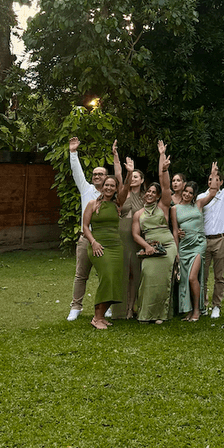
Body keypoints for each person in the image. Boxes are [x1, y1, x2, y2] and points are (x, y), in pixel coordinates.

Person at [132, 140, 178, 324]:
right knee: (149, 278)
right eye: (148, 191)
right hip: (149, 247)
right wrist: (146, 247)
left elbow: (165, 186)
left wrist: (164, 166)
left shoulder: (163, 207)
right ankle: (145, 314)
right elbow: (135, 234)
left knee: (165, 282)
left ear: (158, 196)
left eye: (153, 192)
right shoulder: (138, 213)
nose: (150, 194)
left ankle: (161, 315)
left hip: (167, 246)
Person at [197, 140, 224, 318]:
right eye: (209, 179)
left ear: (221, 182)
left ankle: (216, 306)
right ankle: (202, 304)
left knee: (219, 276)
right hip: (204, 240)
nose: (211, 181)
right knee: (203, 275)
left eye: (215, 179)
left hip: (221, 240)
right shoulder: (201, 196)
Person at [67, 137, 107, 321]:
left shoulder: (111, 195)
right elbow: (77, 173)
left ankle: (105, 306)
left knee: (105, 275)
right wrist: (73, 153)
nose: (96, 176)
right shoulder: (86, 190)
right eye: (94, 174)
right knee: (81, 275)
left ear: (107, 178)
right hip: (86, 239)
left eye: (100, 174)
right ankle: (76, 307)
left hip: (104, 239)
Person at [172, 166, 219, 322]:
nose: (186, 194)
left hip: (198, 244)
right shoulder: (175, 209)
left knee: (193, 277)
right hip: (184, 246)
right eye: (185, 191)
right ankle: (188, 310)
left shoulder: (198, 204)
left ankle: (197, 311)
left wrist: (213, 173)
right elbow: (174, 230)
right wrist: (177, 251)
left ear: (194, 195)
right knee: (185, 280)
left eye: (190, 193)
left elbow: (213, 192)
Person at [81, 175, 124, 329]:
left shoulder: (117, 204)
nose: (109, 188)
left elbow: (125, 190)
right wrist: (93, 242)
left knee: (114, 280)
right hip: (98, 246)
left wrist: (130, 172)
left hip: (116, 246)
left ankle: (102, 315)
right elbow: (85, 226)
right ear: (102, 186)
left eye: (112, 186)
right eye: (107, 185)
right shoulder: (93, 204)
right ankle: (97, 318)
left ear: (116, 188)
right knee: (107, 278)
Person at [112, 147, 145, 320]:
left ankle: (132, 307)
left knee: (135, 274)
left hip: (137, 238)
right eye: (131, 177)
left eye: (136, 177)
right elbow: (118, 174)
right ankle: (119, 307)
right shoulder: (122, 193)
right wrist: (116, 157)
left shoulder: (147, 197)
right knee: (121, 273)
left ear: (142, 180)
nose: (133, 179)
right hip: (122, 237)